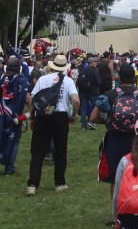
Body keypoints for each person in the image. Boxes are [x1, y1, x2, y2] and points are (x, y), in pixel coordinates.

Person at [91, 64, 138, 197]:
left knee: (115, 176)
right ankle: (133, 205)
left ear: (119, 78)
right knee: (136, 172)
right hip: (135, 139)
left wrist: (106, 121)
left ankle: (116, 212)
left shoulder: (111, 94)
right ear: (134, 78)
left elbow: (93, 117)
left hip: (114, 138)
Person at [27, 54, 80, 196]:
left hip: (43, 117)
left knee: (37, 152)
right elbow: (75, 100)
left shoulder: (42, 79)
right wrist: (74, 115)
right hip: (60, 117)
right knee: (60, 151)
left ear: (52, 65)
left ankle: (32, 184)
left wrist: (32, 116)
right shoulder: (68, 81)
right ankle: (59, 183)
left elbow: (33, 99)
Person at [0, 57, 30, 175]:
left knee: (2, 138)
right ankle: (9, 168)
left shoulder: (2, 77)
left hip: (2, 113)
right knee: (14, 141)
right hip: (14, 115)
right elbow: (27, 98)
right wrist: (29, 113)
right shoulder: (22, 80)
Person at [77, 56, 101, 130]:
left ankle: (84, 126)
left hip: (83, 92)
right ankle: (92, 122)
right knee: (95, 107)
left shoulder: (83, 70)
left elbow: (78, 81)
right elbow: (98, 82)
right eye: (95, 62)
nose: (96, 64)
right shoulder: (94, 71)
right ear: (92, 63)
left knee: (83, 108)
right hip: (92, 92)